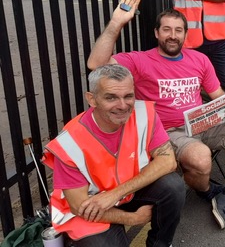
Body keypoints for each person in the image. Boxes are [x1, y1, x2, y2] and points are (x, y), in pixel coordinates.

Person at [87, 0, 225, 230]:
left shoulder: (199, 59)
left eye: (178, 30)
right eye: (167, 29)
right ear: (157, 33)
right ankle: (208, 190)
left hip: (203, 122)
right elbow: (96, 65)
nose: (173, 35)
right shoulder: (140, 61)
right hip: (169, 131)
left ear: (185, 35)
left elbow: (217, 94)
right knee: (200, 158)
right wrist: (116, 23)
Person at [42, 65, 184, 246]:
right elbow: (79, 207)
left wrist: (115, 194)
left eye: (128, 96)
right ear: (92, 99)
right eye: (111, 97)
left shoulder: (144, 114)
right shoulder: (69, 142)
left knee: (173, 187)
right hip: (91, 208)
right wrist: (132, 218)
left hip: (124, 193)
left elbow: (168, 161)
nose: (123, 105)